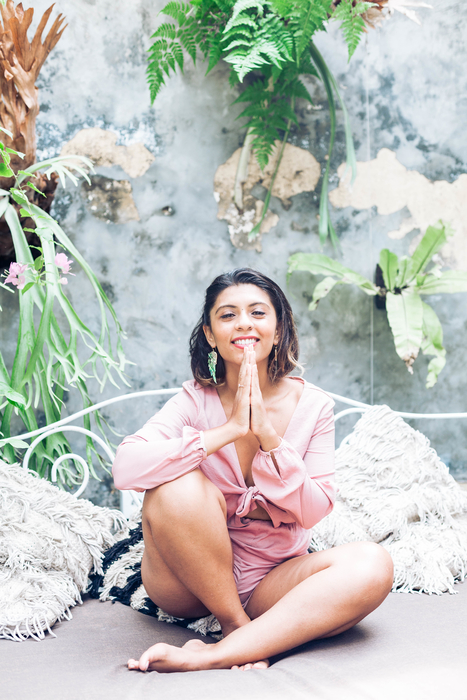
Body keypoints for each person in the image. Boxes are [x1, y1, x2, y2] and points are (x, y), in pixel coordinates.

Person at [112, 268, 393, 673]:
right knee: (175, 486)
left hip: (272, 579)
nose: (243, 322)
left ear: (278, 331)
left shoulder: (314, 407)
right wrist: (227, 432)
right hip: (188, 581)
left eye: (258, 313)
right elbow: (126, 469)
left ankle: (215, 653)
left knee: (373, 564)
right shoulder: (194, 401)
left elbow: (314, 510)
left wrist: (268, 438)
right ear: (210, 334)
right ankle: (236, 627)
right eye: (227, 315)